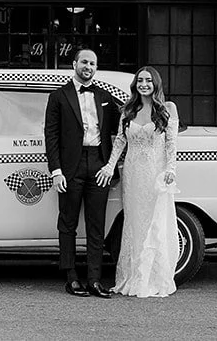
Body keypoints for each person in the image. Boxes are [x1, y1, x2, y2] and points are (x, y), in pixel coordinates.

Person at [98, 66, 179, 297]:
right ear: (135, 84)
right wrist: (109, 165)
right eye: (140, 80)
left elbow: (171, 144)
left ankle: (154, 277)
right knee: (134, 223)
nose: (144, 84)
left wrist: (171, 169)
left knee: (155, 222)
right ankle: (134, 277)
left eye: (148, 80)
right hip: (133, 174)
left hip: (156, 173)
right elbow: (120, 142)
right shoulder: (128, 110)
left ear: (156, 83)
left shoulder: (167, 109)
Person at [44, 48, 118, 297]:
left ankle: (95, 279)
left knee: (96, 225)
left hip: (98, 164)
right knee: (68, 223)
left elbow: (124, 125)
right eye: (84, 61)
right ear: (74, 64)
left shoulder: (105, 96)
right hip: (69, 167)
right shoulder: (58, 96)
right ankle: (71, 277)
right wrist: (56, 170)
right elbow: (51, 136)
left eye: (93, 63)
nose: (88, 66)